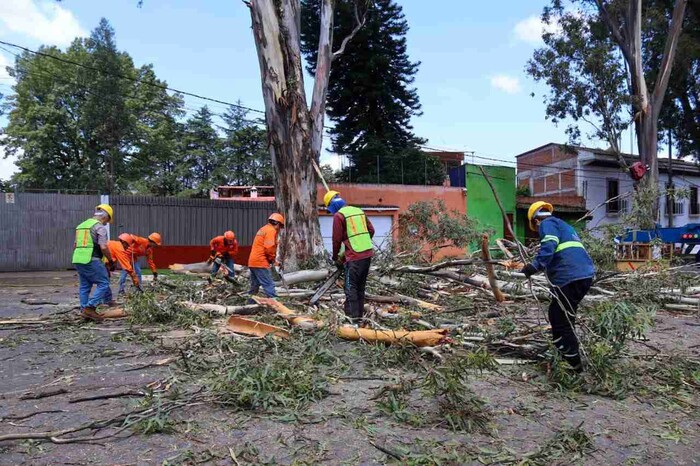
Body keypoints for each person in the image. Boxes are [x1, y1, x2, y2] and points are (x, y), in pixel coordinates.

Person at [520, 201, 595, 372]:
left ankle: (573, 365)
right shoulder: (563, 225)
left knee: (559, 319)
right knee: (564, 316)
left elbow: (550, 244)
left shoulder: (547, 224)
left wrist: (534, 266)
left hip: (570, 276)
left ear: (536, 221)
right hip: (583, 275)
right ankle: (564, 356)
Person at [325, 190, 375, 325]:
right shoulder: (358, 211)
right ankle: (359, 318)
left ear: (331, 206)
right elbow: (371, 230)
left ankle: (353, 320)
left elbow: (336, 240)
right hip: (367, 254)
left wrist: (336, 257)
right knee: (360, 287)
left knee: (350, 287)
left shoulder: (339, 216)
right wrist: (361, 243)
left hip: (354, 258)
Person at [72, 204, 116, 321]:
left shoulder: (81, 226)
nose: (106, 223)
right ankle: (90, 307)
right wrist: (111, 260)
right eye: (107, 220)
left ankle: (84, 311)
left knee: (85, 286)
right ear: (105, 217)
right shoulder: (100, 228)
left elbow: (75, 245)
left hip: (78, 259)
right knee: (104, 283)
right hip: (92, 259)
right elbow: (103, 247)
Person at [247, 214, 284, 299]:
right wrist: (271, 259)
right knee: (269, 284)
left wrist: (274, 262)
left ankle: (249, 305)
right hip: (260, 262)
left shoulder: (263, 229)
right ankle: (276, 306)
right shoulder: (271, 230)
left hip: (253, 262)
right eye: (280, 226)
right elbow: (269, 247)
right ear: (277, 224)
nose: (279, 229)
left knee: (254, 286)